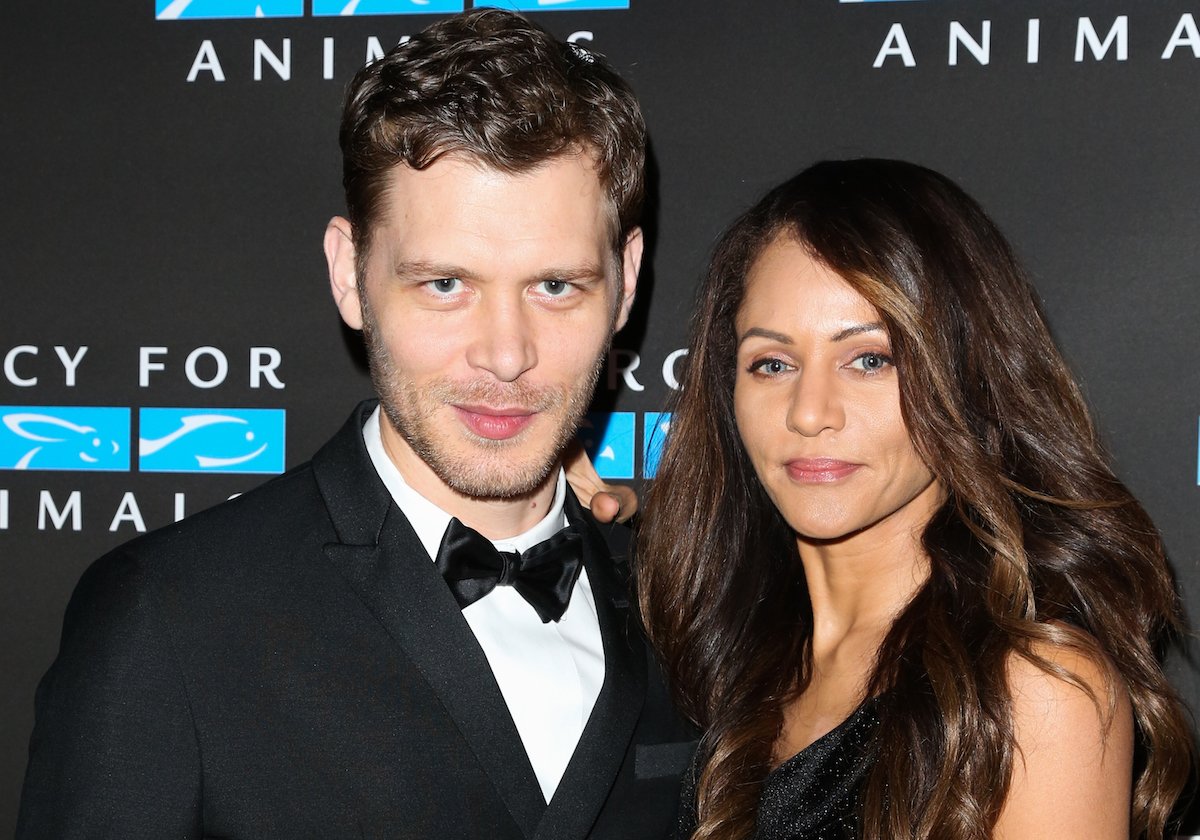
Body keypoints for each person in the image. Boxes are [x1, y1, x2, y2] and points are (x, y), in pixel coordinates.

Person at [16, 10, 693, 839]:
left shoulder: (692, 601)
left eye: (555, 285)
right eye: (445, 284)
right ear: (350, 274)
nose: (507, 356)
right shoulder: (169, 618)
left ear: (624, 282)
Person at [635, 159, 1193, 839]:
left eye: (871, 359)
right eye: (772, 363)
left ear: (962, 375)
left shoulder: (1034, 690)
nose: (810, 412)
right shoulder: (716, 654)